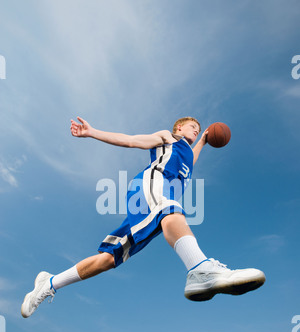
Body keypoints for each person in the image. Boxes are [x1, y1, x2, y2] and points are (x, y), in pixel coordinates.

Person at [21, 117, 265, 318]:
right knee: (171, 210)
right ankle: (200, 269)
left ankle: (50, 283)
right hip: (151, 186)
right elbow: (131, 141)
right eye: (194, 126)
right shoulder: (167, 137)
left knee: (107, 259)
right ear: (179, 128)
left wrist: (203, 140)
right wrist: (92, 132)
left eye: (199, 129)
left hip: (156, 200)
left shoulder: (186, 156)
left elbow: (191, 158)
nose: (197, 129)